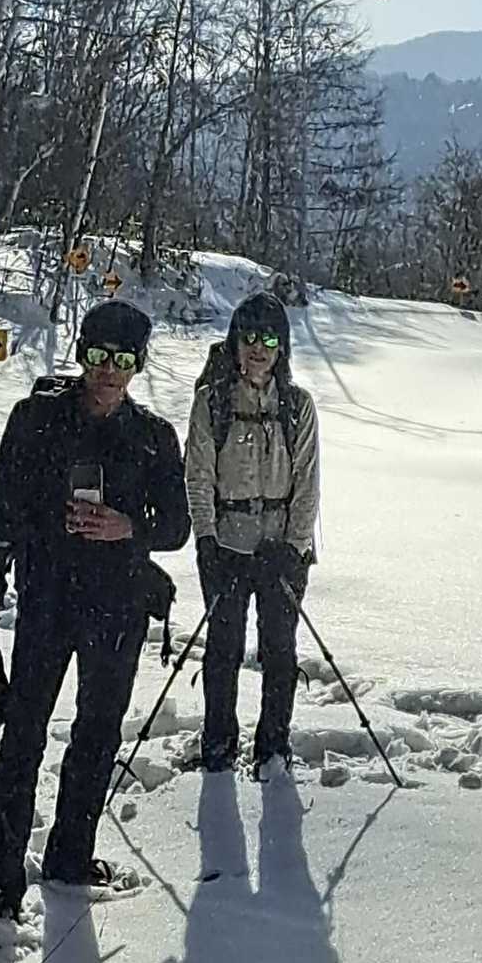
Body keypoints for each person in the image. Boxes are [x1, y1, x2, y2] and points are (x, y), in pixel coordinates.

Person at [0, 300, 190, 920]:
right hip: (47, 598)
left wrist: (127, 526)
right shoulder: (36, 419)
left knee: (97, 735)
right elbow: (2, 510)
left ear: (138, 364)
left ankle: (70, 856)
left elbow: (177, 527)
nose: (107, 371)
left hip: (118, 607)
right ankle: (0, 883)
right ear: (80, 353)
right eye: (96, 356)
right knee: (23, 736)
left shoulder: (153, 437)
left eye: (122, 360)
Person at [184, 291, 320, 777]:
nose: (258, 348)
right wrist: (207, 541)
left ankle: (273, 746)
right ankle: (218, 744)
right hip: (227, 544)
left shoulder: (297, 405)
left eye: (269, 339)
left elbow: (307, 483)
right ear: (235, 343)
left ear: (282, 346)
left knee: (280, 651)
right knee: (223, 649)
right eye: (249, 338)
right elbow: (198, 475)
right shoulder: (212, 402)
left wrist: (294, 549)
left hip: (281, 547)